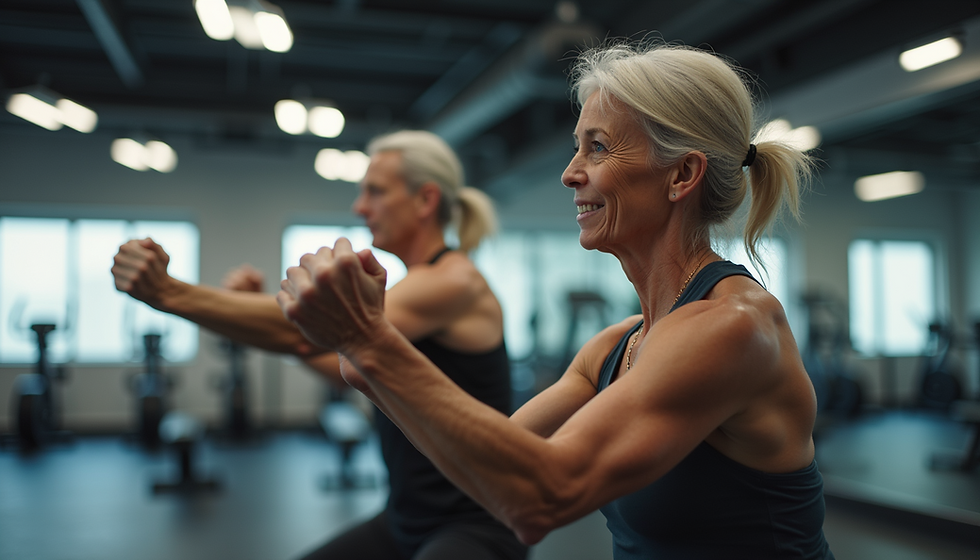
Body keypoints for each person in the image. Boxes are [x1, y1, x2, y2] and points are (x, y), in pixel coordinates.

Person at [277, 42, 835, 560]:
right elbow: (485, 467)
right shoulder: (617, 345)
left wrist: (370, 345)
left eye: (597, 147)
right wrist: (362, 350)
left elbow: (541, 496)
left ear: (682, 174)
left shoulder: (732, 328)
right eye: (576, 147)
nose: (570, 174)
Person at [111, 130, 528, 560]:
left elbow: (301, 333)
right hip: (405, 518)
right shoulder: (418, 288)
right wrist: (257, 311)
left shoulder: (452, 281)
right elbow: (335, 360)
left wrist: (168, 293)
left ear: (425, 200)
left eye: (375, 192)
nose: (360, 206)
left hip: (474, 527)